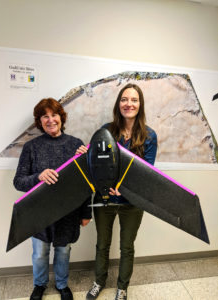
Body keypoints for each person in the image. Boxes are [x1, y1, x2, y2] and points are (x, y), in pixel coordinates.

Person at [76, 83, 157, 300]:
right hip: (104, 199)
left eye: (133, 100)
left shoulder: (149, 136)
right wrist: (86, 155)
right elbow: (95, 166)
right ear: (118, 103)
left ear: (140, 105)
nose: (128, 104)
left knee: (126, 247)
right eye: (124, 99)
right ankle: (99, 281)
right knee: (102, 244)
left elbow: (147, 173)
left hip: (132, 202)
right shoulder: (105, 131)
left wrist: (124, 188)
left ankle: (122, 287)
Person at [13, 98, 91, 300]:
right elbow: (19, 182)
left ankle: (62, 284)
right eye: (44, 116)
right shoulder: (31, 147)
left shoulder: (76, 145)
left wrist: (86, 212)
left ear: (61, 117)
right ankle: (39, 285)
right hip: (39, 214)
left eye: (54, 115)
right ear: (39, 121)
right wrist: (38, 177)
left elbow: (85, 184)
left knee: (63, 252)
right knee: (39, 254)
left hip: (68, 214)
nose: (50, 120)